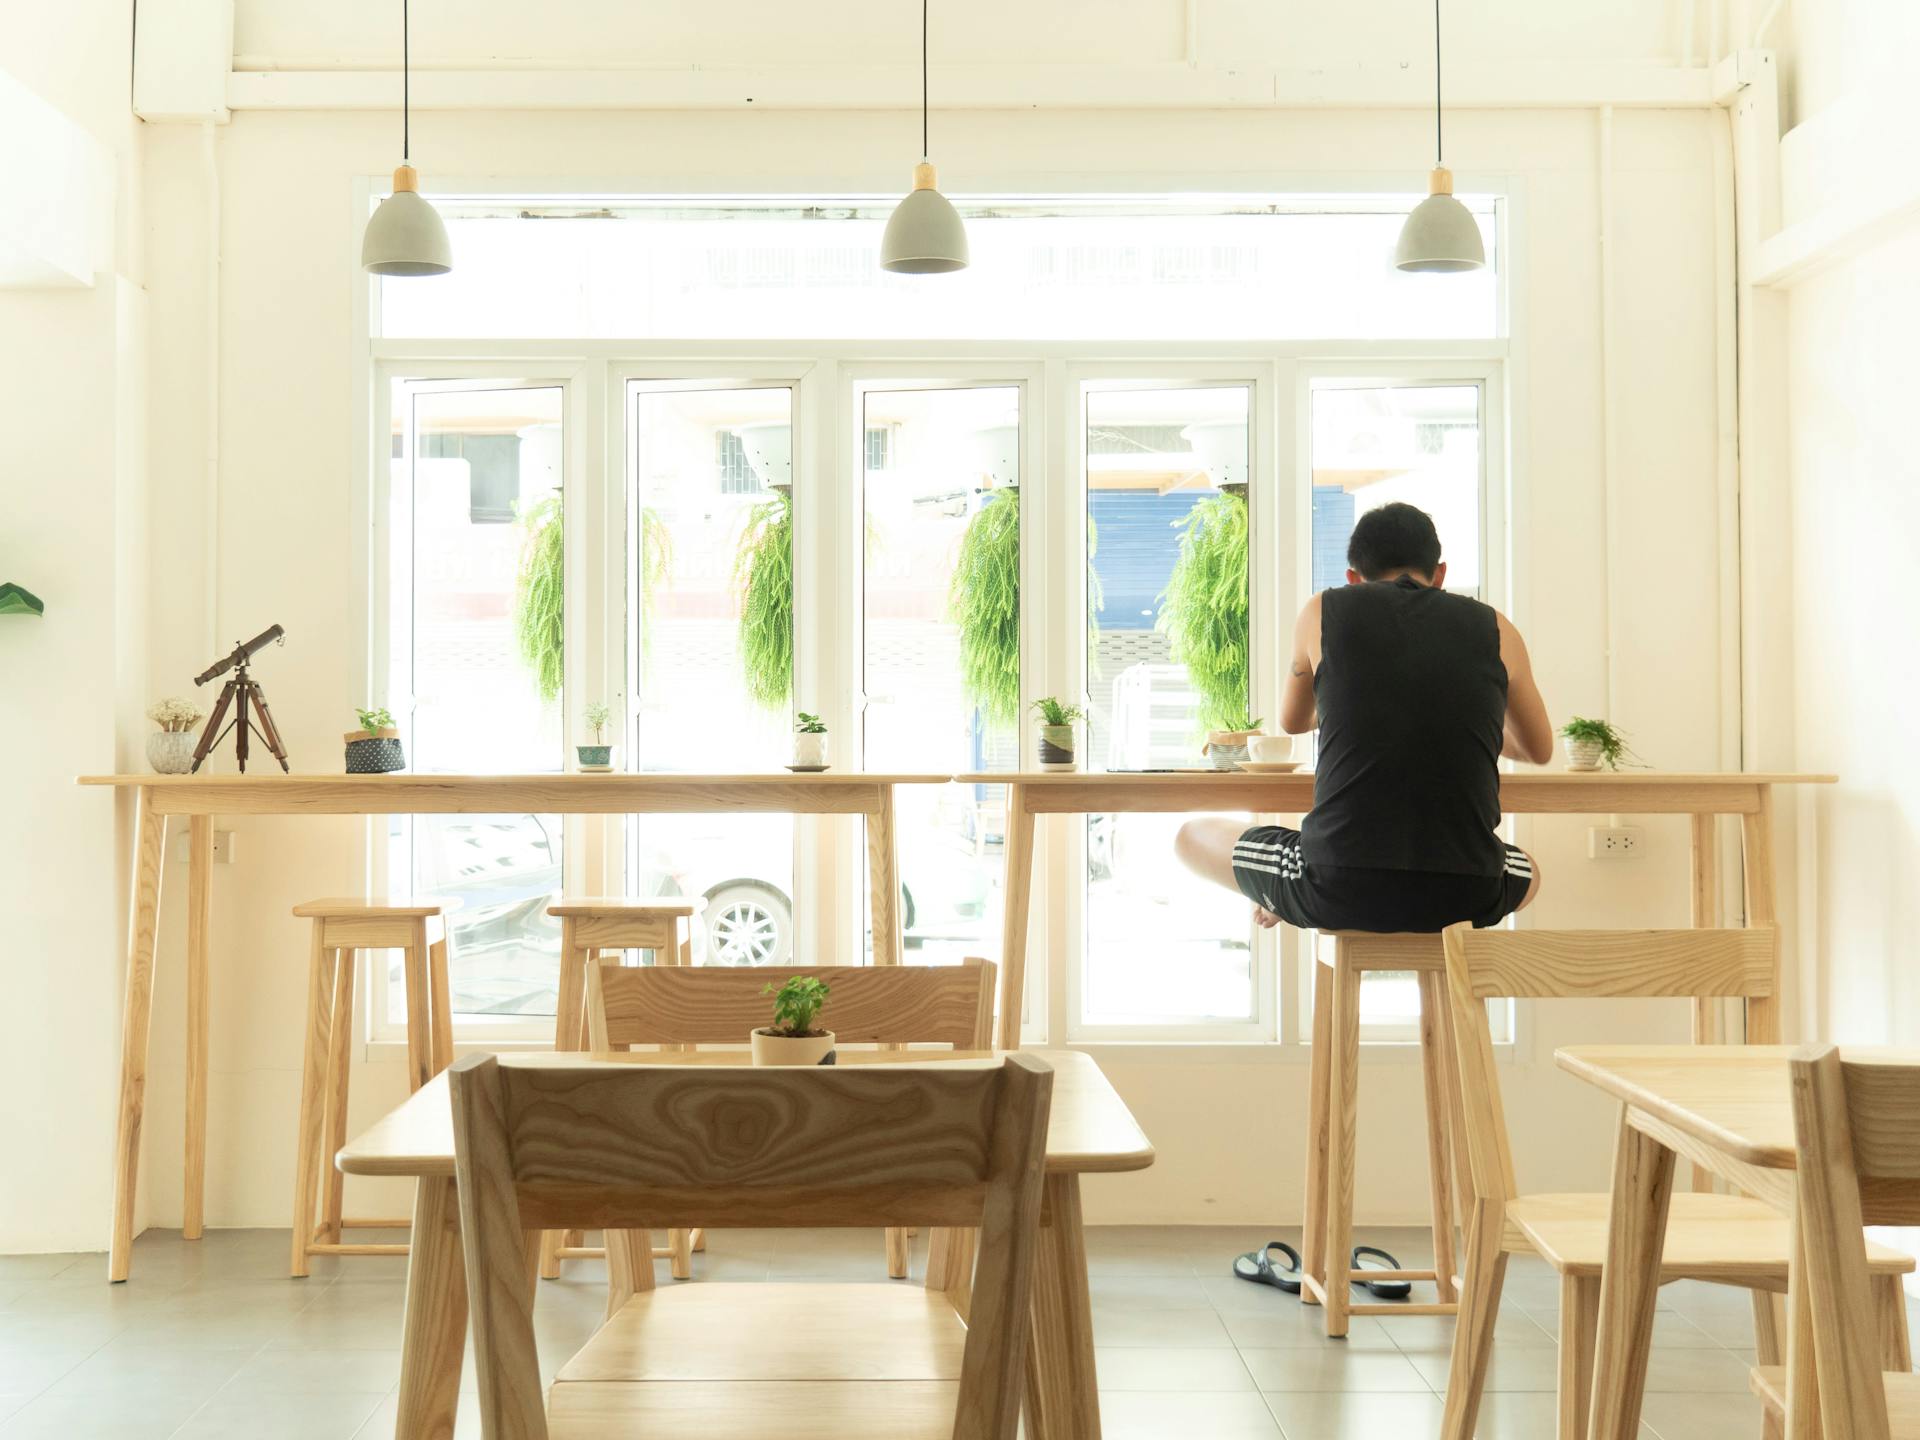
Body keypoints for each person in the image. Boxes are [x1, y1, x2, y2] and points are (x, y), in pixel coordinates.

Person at [1176, 502, 1553, 934]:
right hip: (1466, 893)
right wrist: (1461, 709)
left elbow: (1293, 721)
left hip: (1336, 888)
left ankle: (1283, 892)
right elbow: (1538, 749)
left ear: (1353, 578)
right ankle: (1294, 889)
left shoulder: (1322, 610)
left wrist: (1353, 699)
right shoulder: (1498, 628)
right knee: (1532, 871)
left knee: (1190, 836)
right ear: (1441, 573)